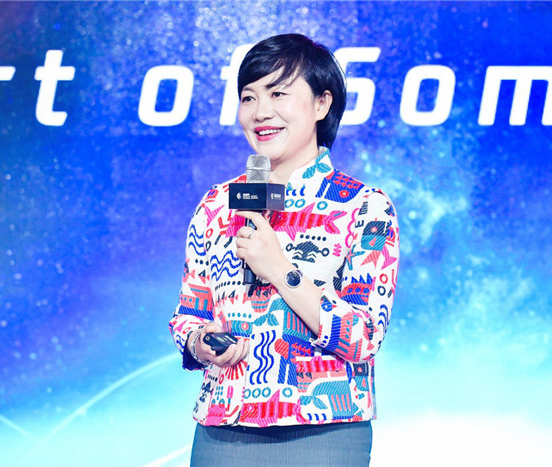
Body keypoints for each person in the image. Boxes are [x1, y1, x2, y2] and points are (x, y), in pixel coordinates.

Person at [169, 33, 399, 466]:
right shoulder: (217, 204)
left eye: (278, 93)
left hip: (323, 430)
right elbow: (188, 316)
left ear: (321, 104)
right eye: (249, 97)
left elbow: (364, 337)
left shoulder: (364, 207)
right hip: (223, 428)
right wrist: (201, 342)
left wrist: (280, 270)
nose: (261, 112)